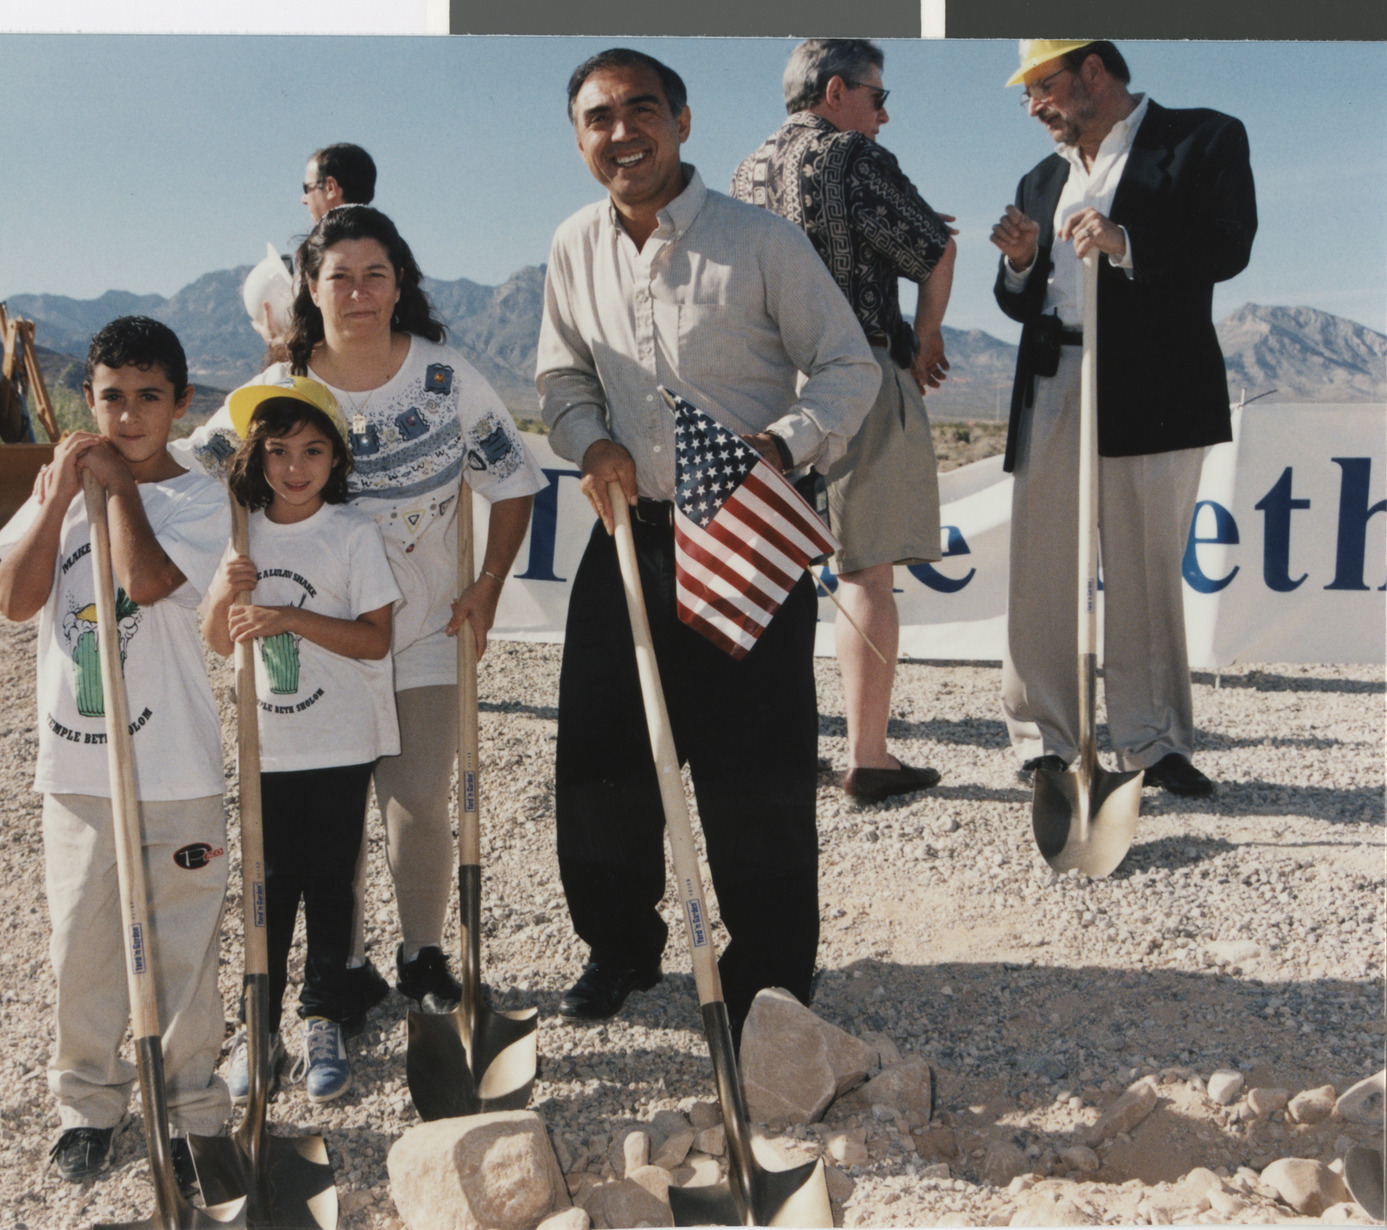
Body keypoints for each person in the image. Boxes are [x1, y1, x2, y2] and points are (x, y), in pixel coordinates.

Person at [537, 48, 879, 1031]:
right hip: (626, 530)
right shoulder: (570, 247)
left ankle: (768, 972)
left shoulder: (761, 243)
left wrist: (781, 444)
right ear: (578, 139)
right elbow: (561, 381)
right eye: (597, 119)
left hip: (741, 535)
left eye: (640, 111)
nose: (620, 133)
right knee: (603, 760)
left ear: (682, 121)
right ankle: (619, 947)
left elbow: (846, 369)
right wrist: (588, 439)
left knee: (754, 766)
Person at [182, 204, 543, 1028]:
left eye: (374, 274)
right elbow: (195, 467)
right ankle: (336, 968)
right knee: (326, 822)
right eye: (337, 276)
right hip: (312, 645)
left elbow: (512, 479)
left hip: (419, 630)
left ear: (398, 283)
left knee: (417, 802)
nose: (357, 292)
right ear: (311, 287)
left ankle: (421, 957)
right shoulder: (280, 389)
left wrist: (486, 587)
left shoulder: (445, 378)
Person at [0, 316, 232, 1197]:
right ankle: (89, 1107)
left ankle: (192, 1107)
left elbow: (149, 583)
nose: (128, 416)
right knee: (83, 944)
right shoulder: (55, 491)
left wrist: (119, 491)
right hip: (77, 766)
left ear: (181, 404)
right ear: (84, 402)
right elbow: (15, 601)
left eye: (147, 398)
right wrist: (58, 501)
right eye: (110, 398)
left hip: (174, 767)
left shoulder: (202, 497)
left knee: (182, 943)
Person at [990, 40, 1254, 797]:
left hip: (1158, 387)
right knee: (1041, 567)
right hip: (1052, 381)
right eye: (1027, 94)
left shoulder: (1203, 138)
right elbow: (1018, 299)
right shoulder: (1040, 179)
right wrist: (1018, 262)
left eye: (1042, 87)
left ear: (1093, 74)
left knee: (1143, 567)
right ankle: (1044, 740)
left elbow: (1227, 245)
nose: (1032, 106)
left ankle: (1153, 741)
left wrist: (1124, 242)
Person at [731, 39, 957, 806]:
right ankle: (867, 755)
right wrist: (926, 338)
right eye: (875, 95)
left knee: (766, 571)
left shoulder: (746, 167)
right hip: (854, 370)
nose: (882, 114)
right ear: (836, 91)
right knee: (865, 570)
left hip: (760, 385)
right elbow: (934, 248)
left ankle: (764, 747)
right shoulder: (854, 157)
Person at [201, 380, 401, 1102]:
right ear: (256, 457)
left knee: (328, 883)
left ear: (335, 458)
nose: (295, 467)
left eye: (313, 450)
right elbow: (216, 639)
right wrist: (228, 590)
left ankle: (321, 1016)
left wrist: (290, 617)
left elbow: (375, 641)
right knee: (267, 885)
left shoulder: (351, 533)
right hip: (268, 744)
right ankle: (259, 1027)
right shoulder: (242, 531)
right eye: (279, 451)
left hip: (340, 738)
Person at [302, 142, 377, 223]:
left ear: (331, 188)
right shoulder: (384, 233)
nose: (304, 200)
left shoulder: (335, 235)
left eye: (307, 188)